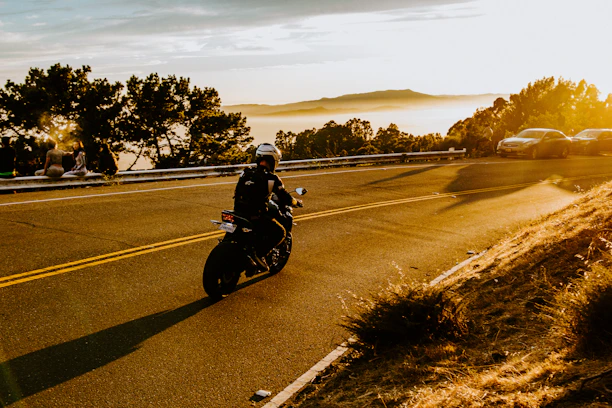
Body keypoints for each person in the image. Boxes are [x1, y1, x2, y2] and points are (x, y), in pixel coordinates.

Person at [233, 143, 301, 272]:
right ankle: (258, 256)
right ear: (273, 160)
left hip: (238, 211)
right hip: (256, 216)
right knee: (280, 232)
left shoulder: (245, 173)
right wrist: (295, 202)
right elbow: (284, 196)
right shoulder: (272, 178)